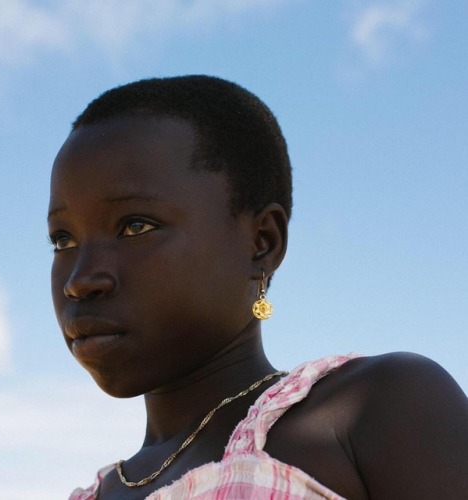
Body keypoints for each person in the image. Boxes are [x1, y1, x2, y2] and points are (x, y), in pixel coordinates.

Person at [48, 75, 468, 499]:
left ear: (262, 242)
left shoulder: (375, 408)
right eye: (62, 239)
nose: (80, 281)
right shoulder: (94, 494)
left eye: (136, 226)